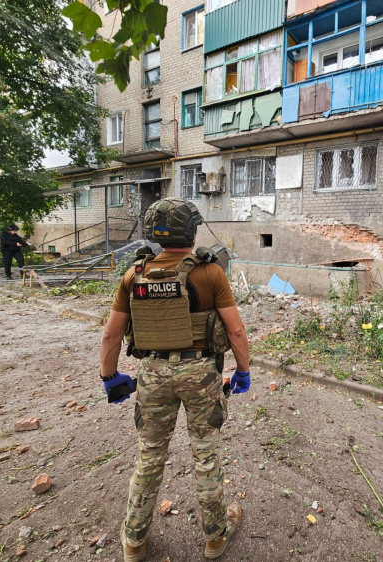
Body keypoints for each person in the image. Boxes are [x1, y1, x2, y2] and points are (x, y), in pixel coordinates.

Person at [99, 198, 251, 562]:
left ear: (154, 233)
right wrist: (243, 372)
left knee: (149, 457)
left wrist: (109, 377)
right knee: (206, 456)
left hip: (151, 374)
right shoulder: (210, 272)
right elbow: (236, 331)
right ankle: (215, 538)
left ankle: (133, 542)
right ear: (191, 231)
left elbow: (111, 336)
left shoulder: (134, 274)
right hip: (201, 373)